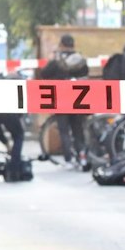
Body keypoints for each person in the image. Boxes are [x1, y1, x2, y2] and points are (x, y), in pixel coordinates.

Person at [38, 33, 90, 164]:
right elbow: (86, 74)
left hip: (61, 98)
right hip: (79, 98)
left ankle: (68, 159)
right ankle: (82, 156)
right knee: (78, 129)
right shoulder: (80, 60)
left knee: (64, 130)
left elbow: (44, 73)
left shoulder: (57, 61)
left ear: (61, 44)